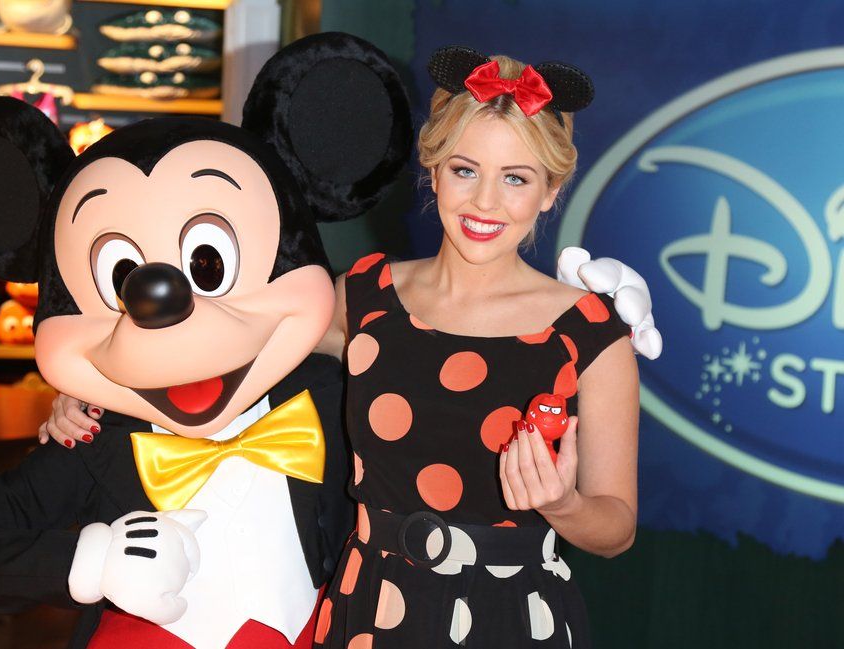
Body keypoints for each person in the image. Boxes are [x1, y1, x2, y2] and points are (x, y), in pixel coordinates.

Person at [41, 48, 645, 648]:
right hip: (371, 611)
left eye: (516, 178)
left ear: (550, 190)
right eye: (466, 170)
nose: (485, 202)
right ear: (433, 171)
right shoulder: (363, 296)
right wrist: (94, 393)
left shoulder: (589, 333)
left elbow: (616, 530)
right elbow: (214, 355)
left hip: (514, 619)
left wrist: (562, 504)